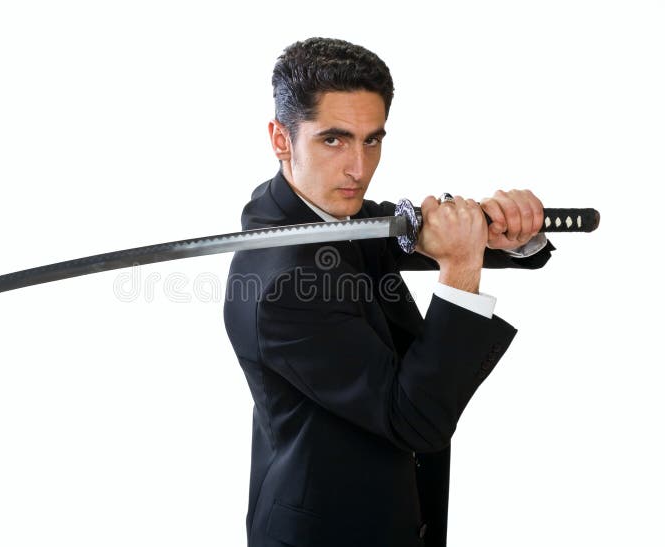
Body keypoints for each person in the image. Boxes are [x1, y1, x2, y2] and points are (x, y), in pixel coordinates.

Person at [223, 37, 553, 547]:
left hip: (396, 511)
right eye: (333, 140)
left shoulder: (323, 213)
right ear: (281, 139)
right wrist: (461, 265)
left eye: (371, 139)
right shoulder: (287, 285)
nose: (359, 167)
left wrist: (513, 234)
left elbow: (411, 239)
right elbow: (414, 419)